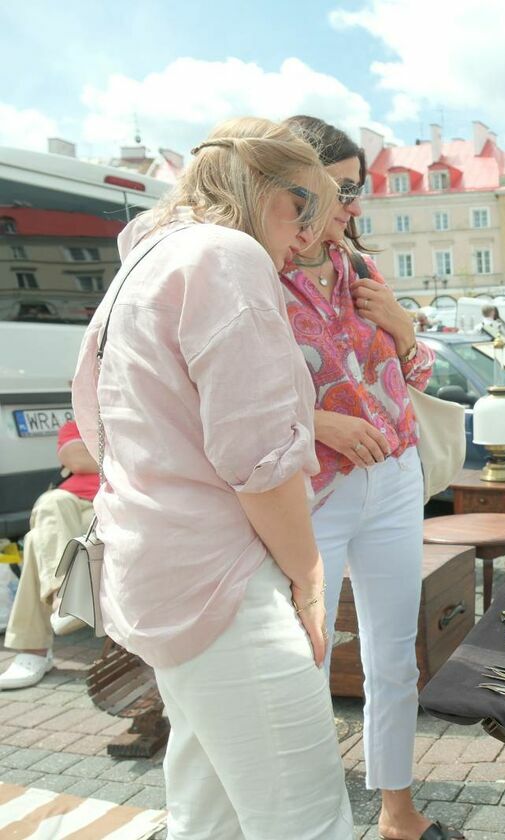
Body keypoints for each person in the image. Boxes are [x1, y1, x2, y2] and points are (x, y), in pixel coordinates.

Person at [70, 117, 354, 838]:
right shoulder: (225, 256)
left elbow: (107, 424)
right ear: (268, 191)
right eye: (306, 213)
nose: (310, 240)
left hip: (163, 565)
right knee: (304, 819)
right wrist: (309, 579)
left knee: (208, 809)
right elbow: (258, 458)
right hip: (222, 577)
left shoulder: (147, 257)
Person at [280, 116, 458, 840]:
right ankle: (309, 820)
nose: (355, 206)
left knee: (393, 657)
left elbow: (416, 375)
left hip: (394, 475)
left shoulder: (359, 266)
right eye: (345, 189)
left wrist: (406, 329)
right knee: (304, 668)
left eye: (362, 190)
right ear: (300, 187)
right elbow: (228, 395)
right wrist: (319, 424)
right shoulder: (255, 271)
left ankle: (397, 812)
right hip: (310, 491)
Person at [0, 419, 96, 689]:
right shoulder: (77, 422)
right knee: (52, 502)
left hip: (108, 506)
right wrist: (117, 454)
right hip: (68, 508)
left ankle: (33, 651)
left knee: (34, 540)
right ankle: (65, 595)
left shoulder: (129, 409)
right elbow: (76, 459)